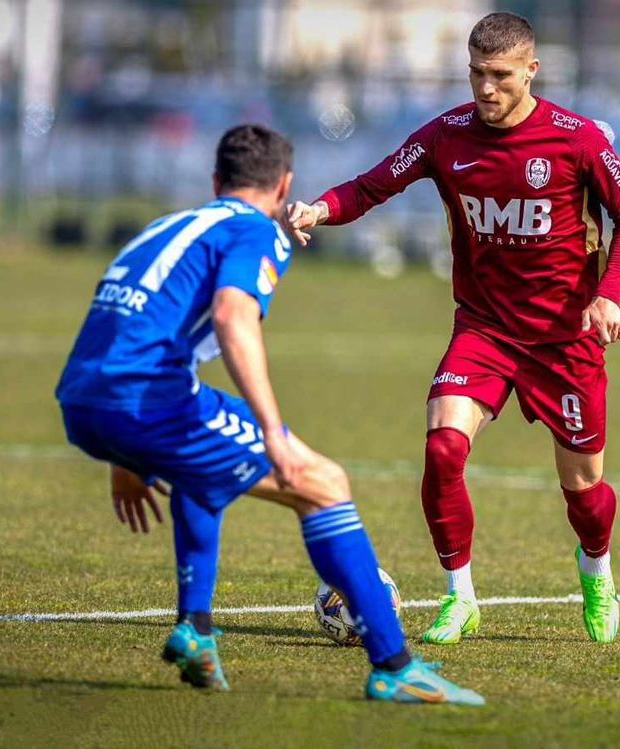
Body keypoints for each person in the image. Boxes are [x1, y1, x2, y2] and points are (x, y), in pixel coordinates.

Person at [54, 124, 483, 704]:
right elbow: (234, 318)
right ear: (285, 186)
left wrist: (120, 451)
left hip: (84, 399)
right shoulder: (256, 231)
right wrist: (273, 432)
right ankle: (394, 666)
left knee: (201, 476)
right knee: (323, 483)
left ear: (215, 181)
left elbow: (120, 327)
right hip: (145, 401)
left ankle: (196, 630)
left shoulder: (166, 226)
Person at [288, 12, 620, 646]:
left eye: (501, 76)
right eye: (477, 74)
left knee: (585, 489)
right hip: (483, 329)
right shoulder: (447, 135)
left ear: (531, 71)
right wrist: (321, 207)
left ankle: (596, 572)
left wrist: (608, 296)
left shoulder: (578, 139)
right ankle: (460, 598)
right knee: (442, 450)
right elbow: (372, 186)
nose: (486, 89)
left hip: (565, 339)